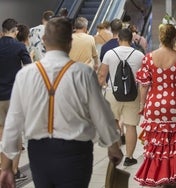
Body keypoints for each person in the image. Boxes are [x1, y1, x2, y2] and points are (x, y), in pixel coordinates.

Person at [0, 17, 123, 188]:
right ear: (69, 41)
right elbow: (101, 113)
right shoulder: (83, 74)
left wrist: (6, 166)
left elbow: (13, 122)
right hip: (76, 153)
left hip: (39, 153)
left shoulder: (26, 74)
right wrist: (112, 144)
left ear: (43, 41)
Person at [134, 24, 176, 187]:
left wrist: (142, 105)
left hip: (155, 104)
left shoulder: (148, 58)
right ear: (173, 38)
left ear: (160, 37)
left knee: (158, 143)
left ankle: (158, 174)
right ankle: (173, 175)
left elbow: (144, 86)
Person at [98, 28, 144, 166]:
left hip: (113, 93)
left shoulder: (109, 54)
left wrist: (105, 86)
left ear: (118, 39)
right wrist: (143, 100)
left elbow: (101, 75)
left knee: (113, 123)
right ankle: (129, 158)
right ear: (132, 40)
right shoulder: (139, 55)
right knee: (131, 126)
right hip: (133, 93)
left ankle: (115, 154)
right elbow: (143, 80)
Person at [0, 18, 32, 182]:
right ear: (15, 31)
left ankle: (2, 168)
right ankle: (14, 171)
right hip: (14, 96)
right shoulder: (19, 46)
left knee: (1, 132)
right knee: (16, 133)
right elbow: (29, 69)